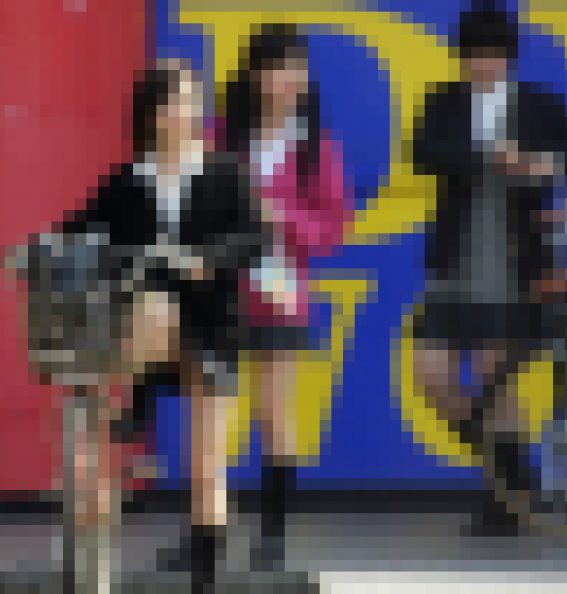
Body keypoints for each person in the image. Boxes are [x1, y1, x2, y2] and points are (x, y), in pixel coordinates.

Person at [7, 59, 262, 593]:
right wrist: (34, 251)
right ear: (152, 114)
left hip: (211, 328)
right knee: (151, 305)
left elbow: (253, 240)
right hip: (145, 330)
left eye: (191, 101)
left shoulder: (225, 173)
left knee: (207, 467)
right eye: (175, 102)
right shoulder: (126, 181)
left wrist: (208, 259)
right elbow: (78, 233)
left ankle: (206, 579)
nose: (186, 112)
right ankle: (125, 405)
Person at [411, 2, 567, 534]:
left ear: (510, 56)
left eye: (494, 54)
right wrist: (487, 156)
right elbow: (423, 152)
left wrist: (546, 163)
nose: (483, 64)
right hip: (455, 260)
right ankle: (515, 471)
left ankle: (505, 502)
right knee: (430, 375)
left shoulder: (538, 104)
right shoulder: (444, 101)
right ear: (460, 56)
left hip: (517, 262)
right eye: (474, 54)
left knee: (496, 380)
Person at [223, 23, 351, 567]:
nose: (287, 78)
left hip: (278, 288)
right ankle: (203, 529)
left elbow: (331, 230)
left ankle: (272, 534)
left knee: (275, 414)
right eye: (276, 67)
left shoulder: (315, 147)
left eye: (296, 68)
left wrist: (281, 215)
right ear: (255, 75)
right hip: (220, 287)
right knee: (210, 413)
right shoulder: (221, 135)